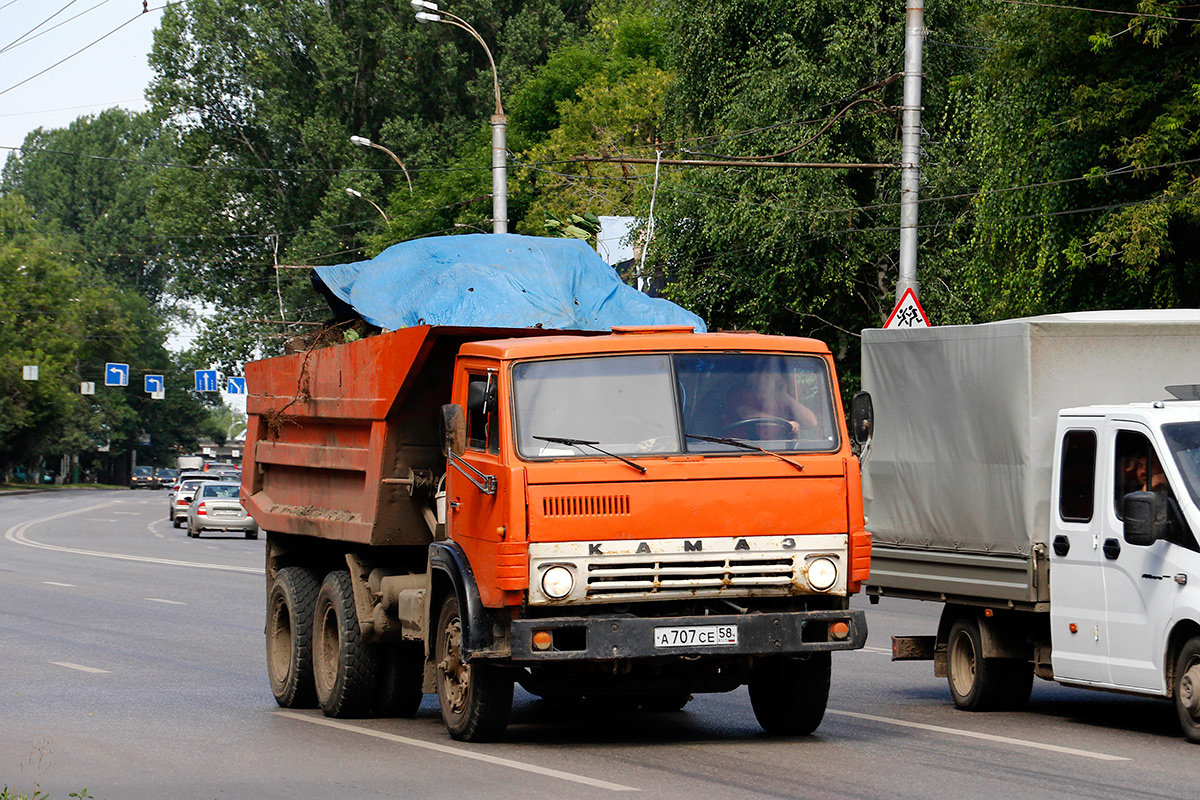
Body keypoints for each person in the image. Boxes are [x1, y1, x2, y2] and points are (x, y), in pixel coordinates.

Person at [727, 367, 818, 438]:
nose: (761, 378)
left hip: (777, 452)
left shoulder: (780, 401)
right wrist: (787, 424)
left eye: (768, 376)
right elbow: (748, 414)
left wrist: (785, 396)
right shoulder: (740, 394)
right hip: (736, 450)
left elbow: (811, 423)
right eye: (761, 374)